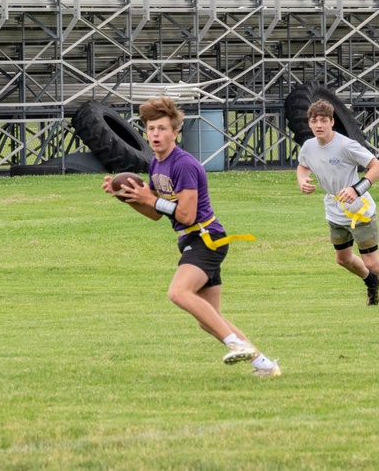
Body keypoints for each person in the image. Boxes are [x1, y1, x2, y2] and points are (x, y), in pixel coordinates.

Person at [102, 97, 280, 377]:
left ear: (175, 132)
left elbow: (185, 215)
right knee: (209, 319)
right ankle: (264, 365)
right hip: (191, 240)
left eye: (162, 128)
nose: (156, 134)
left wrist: (150, 197)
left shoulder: (183, 164)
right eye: (150, 129)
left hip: (206, 238)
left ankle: (235, 344)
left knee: (179, 292)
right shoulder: (156, 165)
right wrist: (128, 198)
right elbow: (156, 214)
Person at [296, 99, 379, 307]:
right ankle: (371, 280)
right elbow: (302, 167)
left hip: (359, 211)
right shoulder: (309, 147)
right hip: (334, 211)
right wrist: (302, 181)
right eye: (314, 121)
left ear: (332, 122)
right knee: (343, 259)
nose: (318, 125)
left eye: (323, 120)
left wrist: (356, 189)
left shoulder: (346, 145)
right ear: (309, 123)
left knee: (372, 261)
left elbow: (378, 167)